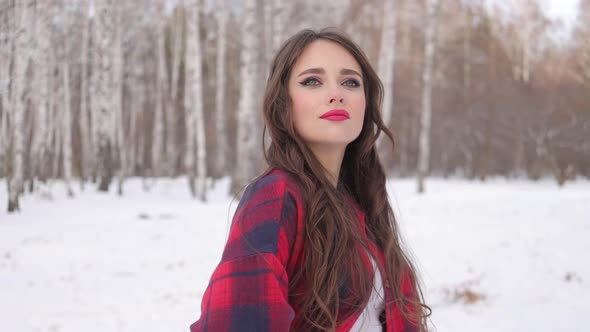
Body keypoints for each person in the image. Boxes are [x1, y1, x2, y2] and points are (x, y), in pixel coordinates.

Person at [190, 28, 430, 332]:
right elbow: (239, 322)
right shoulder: (276, 195)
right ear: (284, 103)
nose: (336, 93)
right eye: (312, 81)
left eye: (350, 82)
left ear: (365, 103)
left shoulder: (362, 202)